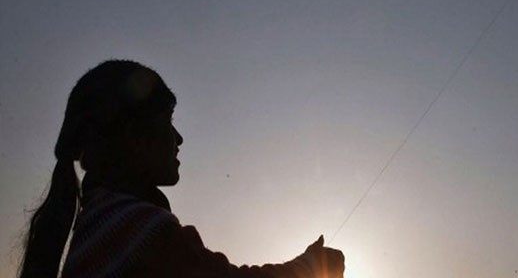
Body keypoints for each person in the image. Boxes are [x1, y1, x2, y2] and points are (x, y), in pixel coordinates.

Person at [18, 60, 345, 278]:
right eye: (167, 120)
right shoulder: (138, 232)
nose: (178, 138)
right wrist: (310, 267)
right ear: (133, 135)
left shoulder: (104, 226)